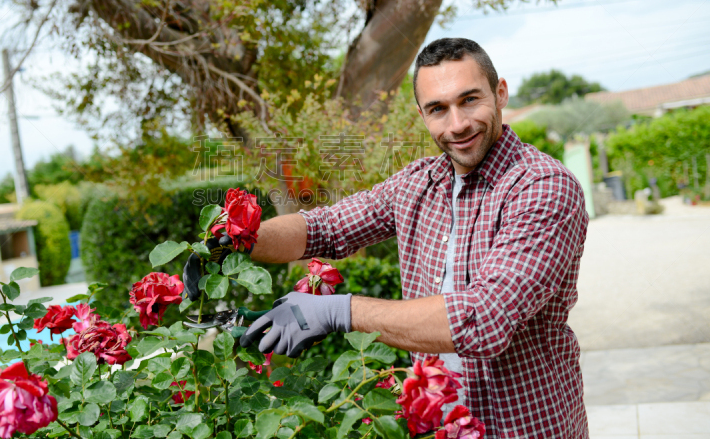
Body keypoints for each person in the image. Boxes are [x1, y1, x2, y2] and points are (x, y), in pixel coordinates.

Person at [222, 38, 588, 437]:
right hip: (435, 426)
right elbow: (321, 227)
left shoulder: (542, 186)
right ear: (422, 114)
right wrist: (235, 237)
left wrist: (336, 312)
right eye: (438, 109)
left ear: (500, 93)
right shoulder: (418, 183)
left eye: (469, 100)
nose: (457, 124)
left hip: (524, 427)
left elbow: (482, 319)